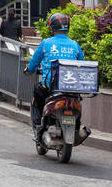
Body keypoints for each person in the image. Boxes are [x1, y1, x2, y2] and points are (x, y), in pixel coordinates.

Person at [25, 12, 84, 147]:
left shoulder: (46, 43)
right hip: (71, 88)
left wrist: (28, 70)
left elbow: (33, 63)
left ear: (52, 28)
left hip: (50, 89)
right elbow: (82, 65)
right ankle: (77, 127)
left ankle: (38, 128)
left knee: (37, 93)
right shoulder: (75, 45)